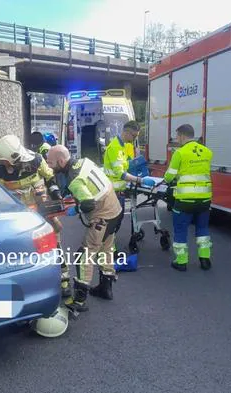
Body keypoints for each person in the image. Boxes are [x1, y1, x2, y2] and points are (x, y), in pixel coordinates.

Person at [0, 135, 71, 297]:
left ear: (13, 158)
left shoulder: (36, 161)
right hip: (21, 218)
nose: (2, 163)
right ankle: (33, 284)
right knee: (27, 250)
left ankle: (64, 281)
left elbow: (49, 177)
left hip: (44, 212)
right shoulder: (0, 172)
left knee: (55, 244)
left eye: (4, 160)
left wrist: (55, 192)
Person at [46, 144, 124, 311]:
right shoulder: (83, 162)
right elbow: (90, 185)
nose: (49, 166)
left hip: (101, 217)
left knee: (84, 256)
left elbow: (88, 204)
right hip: (115, 210)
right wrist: (74, 196)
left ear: (61, 161)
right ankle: (106, 288)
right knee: (106, 249)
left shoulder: (74, 179)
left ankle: (79, 300)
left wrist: (76, 209)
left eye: (51, 163)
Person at [163, 124, 213, 272]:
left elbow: (169, 176)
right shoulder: (207, 152)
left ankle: (181, 261)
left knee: (180, 230)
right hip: (204, 199)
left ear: (183, 136)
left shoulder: (180, 153)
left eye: (177, 136)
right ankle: (205, 260)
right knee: (202, 229)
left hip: (185, 200)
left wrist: (171, 177)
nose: (176, 139)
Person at [102, 121, 149, 251]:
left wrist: (134, 163)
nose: (134, 139)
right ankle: (109, 251)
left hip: (119, 192)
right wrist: (139, 180)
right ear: (127, 132)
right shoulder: (115, 147)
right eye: (134, 136)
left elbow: (124, 166)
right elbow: (120, 173)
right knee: (112, 223)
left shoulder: (122, 146)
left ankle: (109, 248)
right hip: (113, 192)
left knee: (117, 221)